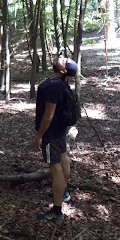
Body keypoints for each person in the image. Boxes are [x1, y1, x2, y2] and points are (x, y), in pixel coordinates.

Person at [34, 56, 78, 221]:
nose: (62, 58)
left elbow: (49, 115)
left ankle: (57, 211)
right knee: (63, 157)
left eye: (65, 61)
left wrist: (39, 136)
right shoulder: (60, 84)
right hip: (59, 131)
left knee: (56, 168)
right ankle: (63, 192)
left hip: (51, 133)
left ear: (63, 71)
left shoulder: (53, 86)